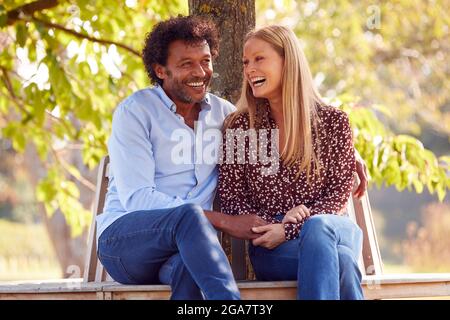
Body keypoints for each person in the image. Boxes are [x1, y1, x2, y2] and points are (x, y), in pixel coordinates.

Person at [218, 25, 365, 300]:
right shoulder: (242, 127)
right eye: (246, 62)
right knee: (343, 263)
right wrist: (274, 228)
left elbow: (337, 194)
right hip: (273, 246)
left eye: (259, 59)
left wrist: (294, 226)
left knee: (318, 227)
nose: (250, 69)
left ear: (289, 61)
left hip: (332, 229)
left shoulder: (333, 122)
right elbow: (231, 198)